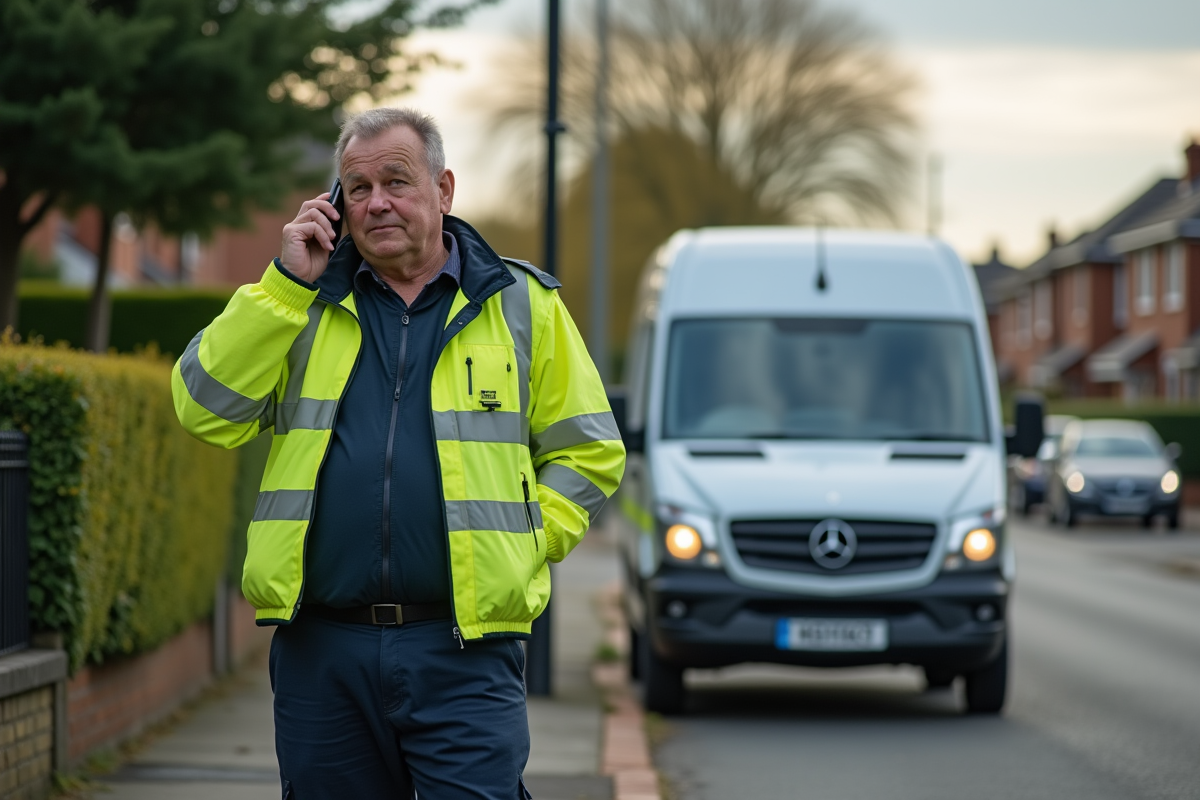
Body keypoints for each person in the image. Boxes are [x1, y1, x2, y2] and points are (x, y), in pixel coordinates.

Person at [172, 107, 625, 799]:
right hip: (322, 651)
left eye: (396, 180)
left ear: (443, 190)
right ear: (335, 204)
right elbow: (204, 409)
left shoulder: (523, 305)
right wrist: (281, 286)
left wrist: (531, 539)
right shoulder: (296, 305)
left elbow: (589, 450)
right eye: (356, 187)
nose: (377, 201)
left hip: (465, 651)